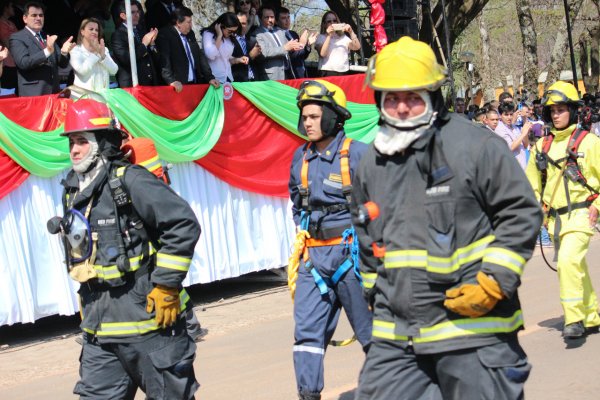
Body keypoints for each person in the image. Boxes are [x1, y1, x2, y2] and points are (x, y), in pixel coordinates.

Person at [353, 37, 542, 399]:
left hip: (474, 328)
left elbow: (520, 212)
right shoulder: (371, 163)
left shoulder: (475, 146)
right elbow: (368, 240)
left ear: (433, 97)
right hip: (398, 337)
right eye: (391, 98)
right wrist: (375, 293)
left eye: (412, 97)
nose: (402, 108)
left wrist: (494, 282)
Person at [54, 98, 201, 398]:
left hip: (150, 326)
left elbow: (182, 224)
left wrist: (166, 285)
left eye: (82, 141)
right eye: (71, 142)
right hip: (101, 333)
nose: (74, 150)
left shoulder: (131, 180)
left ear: (104, 142)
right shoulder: (73, 192)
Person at [288, 80, 372, 400]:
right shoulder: (301, 159)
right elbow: (298, 204)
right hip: (313, 260)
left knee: (371, 332)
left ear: (332, 117)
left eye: (313, 116)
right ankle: (309, 394)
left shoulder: (359, 154)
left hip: (352, 258)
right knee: (307, 335)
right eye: (304, 116)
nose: (306, 122)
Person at [525, 81, 600, 339]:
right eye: (552, 111)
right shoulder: (540, 147)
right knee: (575, 266)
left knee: (568, 261)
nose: (556, 114)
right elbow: (531, 185)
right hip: (554, 219)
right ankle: (591, 315)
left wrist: (598, 205)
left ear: (572, 110)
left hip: (581, 213)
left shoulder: (589, 142)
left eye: (561, 109)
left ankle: (574, 318)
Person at [9, 1, 74, 96]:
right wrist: (47, 51)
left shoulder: (47, 36)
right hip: (33, 94)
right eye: (34, 15)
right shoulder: (17, 38)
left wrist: (64, 52)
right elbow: (23, 63)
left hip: (53, 92)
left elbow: (62, 64)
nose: (38, 18)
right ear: (25, 18)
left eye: (41, 15)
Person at [155, 6, 219, 92]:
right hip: (178, 86)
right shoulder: (165, 34)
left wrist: (210, 77)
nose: (191, 25)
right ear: (178, 22)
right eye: (188, 22)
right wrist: (171, 81)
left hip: (195, 83)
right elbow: (164, 60)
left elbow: (199, 55)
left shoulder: (190, 33)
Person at [111, 0, 160, 88]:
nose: (137, 15)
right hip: (132, 84)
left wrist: (152, 44)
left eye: (138, 12)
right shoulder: (118, 35)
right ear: (123, 15)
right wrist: (144, 44)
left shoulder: (141, 30)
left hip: (149, 83)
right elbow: (126, 59)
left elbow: (154, 58)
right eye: (132, 12)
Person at [252, 5, 302, 80]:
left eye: (272, 17)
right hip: (271, 77)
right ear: (260, 18)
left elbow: (289, 49)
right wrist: (285, 48)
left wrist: (296, 46)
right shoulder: (257, 34)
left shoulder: (280, 32)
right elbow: (264, 52)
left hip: (288, 73)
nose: (270, 20)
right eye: (267, 17)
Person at [69, 18, 118, 95]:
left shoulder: (104, 49)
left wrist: (103, 56)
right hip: (83, 98)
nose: (94, 32)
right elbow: (82, 71)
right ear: (82, 32)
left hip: (103, 97)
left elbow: (114, 70)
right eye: (91, 29)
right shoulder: (75, 50)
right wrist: (96, 53)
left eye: (96, 30)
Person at [314, 11, 360, 77]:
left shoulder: (343, 37)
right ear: (324, 24)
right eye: (329, 21)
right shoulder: (320, 37)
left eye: (334, 20)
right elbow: (322, 54)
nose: (332, 23)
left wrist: (351, 32)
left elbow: (357, 47)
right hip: (327, 72)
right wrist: (329, 36)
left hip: (343, 72)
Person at [276, 6, 316, 79]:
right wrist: (302, 44)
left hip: (302, 73)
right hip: (289, 75)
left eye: (288, 17)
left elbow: (302, 56)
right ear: (276, 21)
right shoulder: (277, 36)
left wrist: (308, 45)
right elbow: (289, 57)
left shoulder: (293, 33)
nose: (287, 20)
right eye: (283, 18)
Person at [201, 12, 240, 83]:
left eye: (235, 31)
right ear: (220, 26)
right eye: (230, 31)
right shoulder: (208, 34)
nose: (232, 33)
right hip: (215, 79)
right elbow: (210, 55)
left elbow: (226, 58)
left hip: (228, 77)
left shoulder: (229, 38)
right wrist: (219, 36)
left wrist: (237, 60)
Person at [495, 101, 530, 170]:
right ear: (500, 115)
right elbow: (510, 148)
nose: (509, 117)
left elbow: (525, 145)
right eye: (506, 115)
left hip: (522, 165)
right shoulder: (500, 129)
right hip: (512, 169)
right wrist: (523, 134)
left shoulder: (514, 127)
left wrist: (525, 132)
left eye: (511, 114)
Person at [231, 11, 261, 82]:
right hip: (238, 81)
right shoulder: (229, 41)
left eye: (243, 23)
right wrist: (250, 56)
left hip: (255, 80)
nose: (241, 26)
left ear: (247, 24)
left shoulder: (253, 40)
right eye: (238, 23)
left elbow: (259, 62)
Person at [0, 0, 18, 92]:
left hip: (16, 61)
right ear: (5, 8)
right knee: (8, 91)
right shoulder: (1, 23)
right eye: (11, 6)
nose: (13, 8)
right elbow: (7, 43)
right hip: (6, 63)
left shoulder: (11, 23)